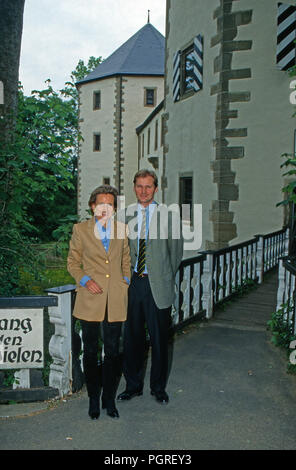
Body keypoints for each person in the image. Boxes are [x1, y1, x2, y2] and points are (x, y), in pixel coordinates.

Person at [117, 169, 183, 405]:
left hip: (158, 285)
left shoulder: (169, 216)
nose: (143, 191)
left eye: (148, 186)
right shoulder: (123, 216)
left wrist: (162, 276)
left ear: (156, 188)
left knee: (159, 340)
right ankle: (133, 386)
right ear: (134, 187)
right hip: (133, 284)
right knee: (132, 339)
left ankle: (158, 388)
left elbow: (175, 254)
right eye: (139, 186)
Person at [67, 185, 130, 420]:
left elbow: (126, 260)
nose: (105, 208)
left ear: (114, 208)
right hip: (90, 299)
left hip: (115, 299)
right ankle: (94, 398)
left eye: (110, 204)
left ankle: (109, 399)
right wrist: (85, 280)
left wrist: (124, 281)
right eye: (101, 203)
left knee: (113, 352)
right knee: (91, 352)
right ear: (93, 206)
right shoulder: (80, 230)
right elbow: (72, 263)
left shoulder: (121, 230)